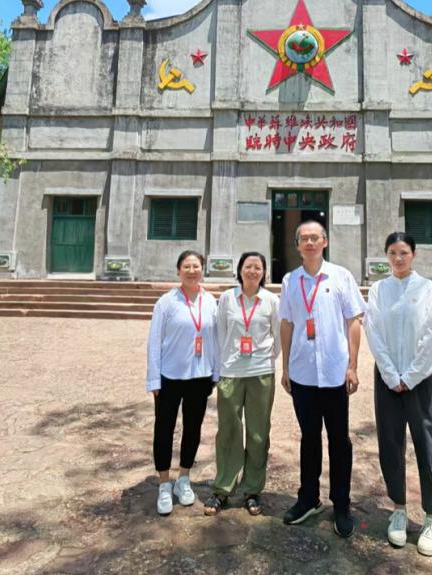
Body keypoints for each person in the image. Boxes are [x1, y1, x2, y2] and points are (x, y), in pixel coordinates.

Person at [364, 232, 432, 557]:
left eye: (403, 252)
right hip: (387, 379)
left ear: (413, 254)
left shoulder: (428, 290)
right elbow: (373, 330)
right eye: (392, 253)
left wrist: (412, 376)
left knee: (428, 444)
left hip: (420, 379)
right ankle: (398, 509)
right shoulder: (379, 290)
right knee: (390, 443)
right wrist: (391, 374)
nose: (398, 258)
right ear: (386, 256)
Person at [278, 220, 365, 538]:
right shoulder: (290, 280)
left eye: (315, 237)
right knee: (309, 438)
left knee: (339, 440)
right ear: (297, 245)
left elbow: (354, 322)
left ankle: (341, 503)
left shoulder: (341, 276)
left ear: (325, 242)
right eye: (304, 238)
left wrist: (353, 366)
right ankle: (309, 498)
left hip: (334, 373)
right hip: (302, 373)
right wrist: (285, 368)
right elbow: (287, 324)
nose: (310, 243)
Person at [204, 252, 280, 516]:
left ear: (264, 272)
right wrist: (224, 364)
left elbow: (277, 337)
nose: (253, 271)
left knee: (259, 433)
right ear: (240, 270)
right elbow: (220, 334)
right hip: (231, 372)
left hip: (261, 373)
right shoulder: (227, 298)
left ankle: (252, 490)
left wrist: (264, 359)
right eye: (248, 266)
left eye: (258, 267)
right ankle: (223, 488)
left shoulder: (271, 300)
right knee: (228, 430)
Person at [146, 250, 219, 516]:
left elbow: (216, 339)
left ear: (203, 270)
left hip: (199, 376)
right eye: (186, 266)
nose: (191, 271)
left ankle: (184, 478)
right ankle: (164, 483)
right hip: (169, 376)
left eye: (196, 266)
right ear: (179, 270)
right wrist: (154, 378)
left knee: (193, 428)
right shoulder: (166, 302)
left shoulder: (210, 302)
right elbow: (154, 341)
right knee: (164, 428)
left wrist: (216, 372)